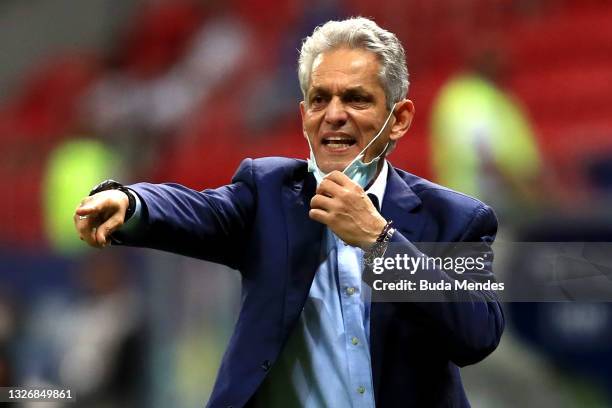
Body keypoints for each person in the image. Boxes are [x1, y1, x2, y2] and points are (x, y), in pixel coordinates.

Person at [74, 17, 504, 408]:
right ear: (303, 116)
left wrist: (380, 239)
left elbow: (477, 335)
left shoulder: (455, 219)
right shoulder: (269, 193)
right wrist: (131, 202)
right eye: (320, 100)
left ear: (399, 119)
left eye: (355, 99)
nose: (334, 115)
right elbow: (198, 210)